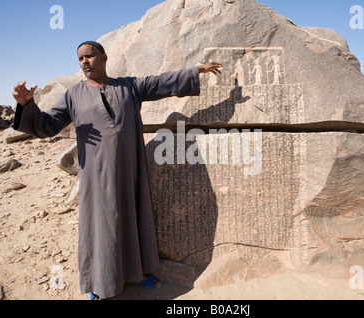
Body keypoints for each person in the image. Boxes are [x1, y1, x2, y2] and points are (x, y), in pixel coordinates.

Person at [12, 40, 223, 300]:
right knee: (102, 227)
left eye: (89, 56)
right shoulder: (72, 96)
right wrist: (25, 106)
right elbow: (46, 125)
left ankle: (139, 274)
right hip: (96, 177)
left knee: (134, 219)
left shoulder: (129, 87)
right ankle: (101, 284)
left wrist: (196, 70)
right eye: (80, 59)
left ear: (104, 57)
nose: (84, 62)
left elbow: (160, 82)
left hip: (130, 172)